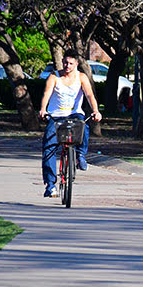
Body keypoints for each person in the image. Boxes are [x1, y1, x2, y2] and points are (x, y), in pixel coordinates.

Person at [39, 50, 101, 198]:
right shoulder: (54, 76)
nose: (67, 66)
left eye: (71, 63)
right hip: (56, 115)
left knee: (83, 125)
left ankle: (80, 155)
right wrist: (43, 109)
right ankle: (50, 185)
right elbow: (46, 94)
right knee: (49, 148)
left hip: (74, 114)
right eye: (65, 63)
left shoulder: (81, 77)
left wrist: (96, 110)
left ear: (76, 64)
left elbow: (89, 95)